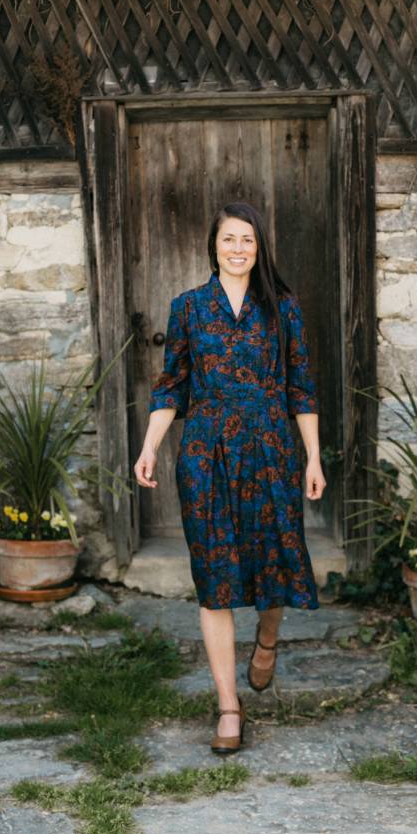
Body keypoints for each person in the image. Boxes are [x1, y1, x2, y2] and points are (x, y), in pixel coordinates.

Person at [134, 201, 326, 755]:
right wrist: (149, 447)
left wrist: (312, 457)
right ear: (213, 245)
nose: (238, 248)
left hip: (270, 447)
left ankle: (267, 638)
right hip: (206, 452)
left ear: (259, 248)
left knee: (276, 557)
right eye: (229, 240)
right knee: (213, 577)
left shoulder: (282, 308)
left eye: (248, 240)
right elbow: (171, 388)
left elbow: (301, 388)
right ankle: (227, 706)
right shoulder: (189, 308)